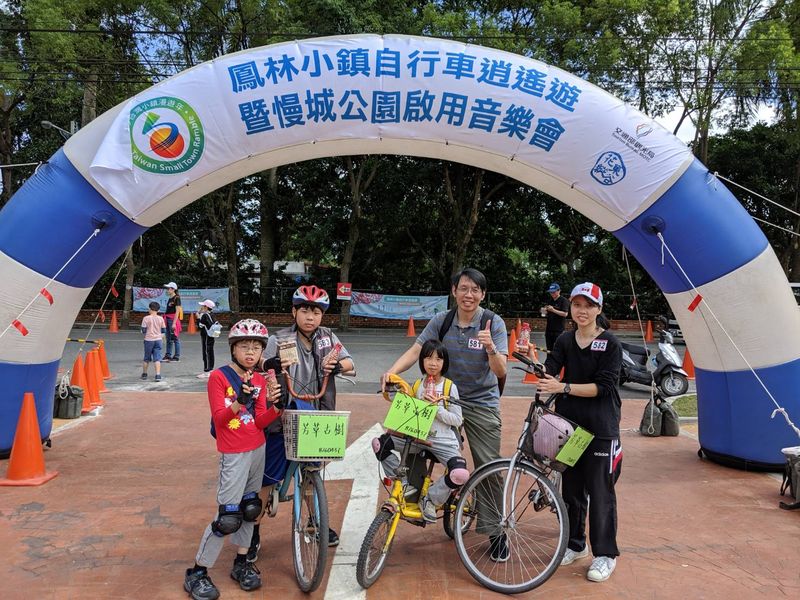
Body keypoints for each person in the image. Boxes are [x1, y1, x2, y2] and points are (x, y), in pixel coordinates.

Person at [384, 268, 509, 561]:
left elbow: (501, 371)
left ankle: (495, 531)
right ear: (454, 291)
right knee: (410, 442)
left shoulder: (493, 323)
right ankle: (416, 499)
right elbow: (417, 350)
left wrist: (491, 348)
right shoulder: (443, 321)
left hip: (481, 402)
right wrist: (392, 371)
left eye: (475, 290)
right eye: (464, 288)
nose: (469, 295)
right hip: (441, 399)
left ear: (483, 294)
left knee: (487, 464)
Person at [246, 285, 354, 561]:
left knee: (312, 471)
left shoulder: (329, 339)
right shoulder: (280, 338)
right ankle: (253, 534)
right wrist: (271, 363)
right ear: (294, 312)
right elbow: (260, 365)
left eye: (316, 311)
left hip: (318, 413)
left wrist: (338, 367)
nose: (310, 316)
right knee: (267, 478)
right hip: (283, 414)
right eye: (304, 310)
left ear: (322, 316)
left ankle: (314, 521)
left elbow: (351, 364)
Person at [184, 319, 283, 600]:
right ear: (233, 348)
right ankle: (197, 573)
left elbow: (261, 420)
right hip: (234, 452)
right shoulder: (219, 377)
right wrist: (239, 401)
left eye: (256, 347)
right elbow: (220, 419)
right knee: (227, 516)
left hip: (258, 448)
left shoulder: (262, 379)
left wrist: (277, 406)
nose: (250, 352)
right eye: (244, 346)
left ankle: (242, 563)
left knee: (252, 508)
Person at [535, 282, 623, 583]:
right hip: (569, 429)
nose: (582, 311)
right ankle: (575, 544)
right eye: (577, 305)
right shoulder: (564, 339)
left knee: (600, 493)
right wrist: (534, 363)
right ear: (570, 308)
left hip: (601, 429)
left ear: (599, 309)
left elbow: (605, 387)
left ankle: (605, 555)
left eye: (588, 305)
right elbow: (550, 369)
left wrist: (563, 387)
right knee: (571, 491)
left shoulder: (610, 343)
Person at [373, 340, 470, 523]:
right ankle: (403, 484)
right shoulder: (417, 385)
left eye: (438, 359)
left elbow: (458, 419)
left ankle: (431, 499)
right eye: (428, 358)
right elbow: (408, 412)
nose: (433, 363)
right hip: (417, 439)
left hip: (442, 441)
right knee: (379, 444)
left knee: (460, 474)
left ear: (444, 363)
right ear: (422, 361)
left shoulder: (449, 387)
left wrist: (436, 408)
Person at [140, 301, 165, 382]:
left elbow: (143, 330)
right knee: (157, 358)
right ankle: (158, 375)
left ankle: (144, 374)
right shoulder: (161, 318)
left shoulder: (146, 318)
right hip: (158, 339)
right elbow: (163, 330)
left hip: (149, 339)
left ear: (150, 309)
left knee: (146, 358)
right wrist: (161, 336)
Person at [542, 282, 570, 351]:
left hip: (558, 330)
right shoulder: (550, 301)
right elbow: (546, 314)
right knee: (549, 349)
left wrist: (553, 310)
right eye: (550, 292)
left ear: (559, 291)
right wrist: (543, 311)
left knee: (557, 349)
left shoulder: (564, 300)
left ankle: (557, 362)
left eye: (554, 292)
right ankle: (549, 361)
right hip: (549, 329)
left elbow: (565, 314)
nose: (552, 294)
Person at [197, 299, 217, 376]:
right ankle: (210, 368)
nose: (201, 307)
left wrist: (198, 317)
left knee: (206, 352)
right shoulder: (212, 314)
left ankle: (207, 369)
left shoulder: (205, 315)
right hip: (211, 335)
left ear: (206, 307)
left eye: (203, 305)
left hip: (206, 336)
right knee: (210, 351)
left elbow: (200, 326)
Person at [163, 282, 182, 362]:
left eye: (168, 288)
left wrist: (174, 323)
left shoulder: (177, 298)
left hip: (172, 319)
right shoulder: (170, 298)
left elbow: (177, 311)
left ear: (173, 289)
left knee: (175, 338)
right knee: (168, 338)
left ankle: (176, 356)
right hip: (168, 319)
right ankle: (168, 355)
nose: (167, 290)